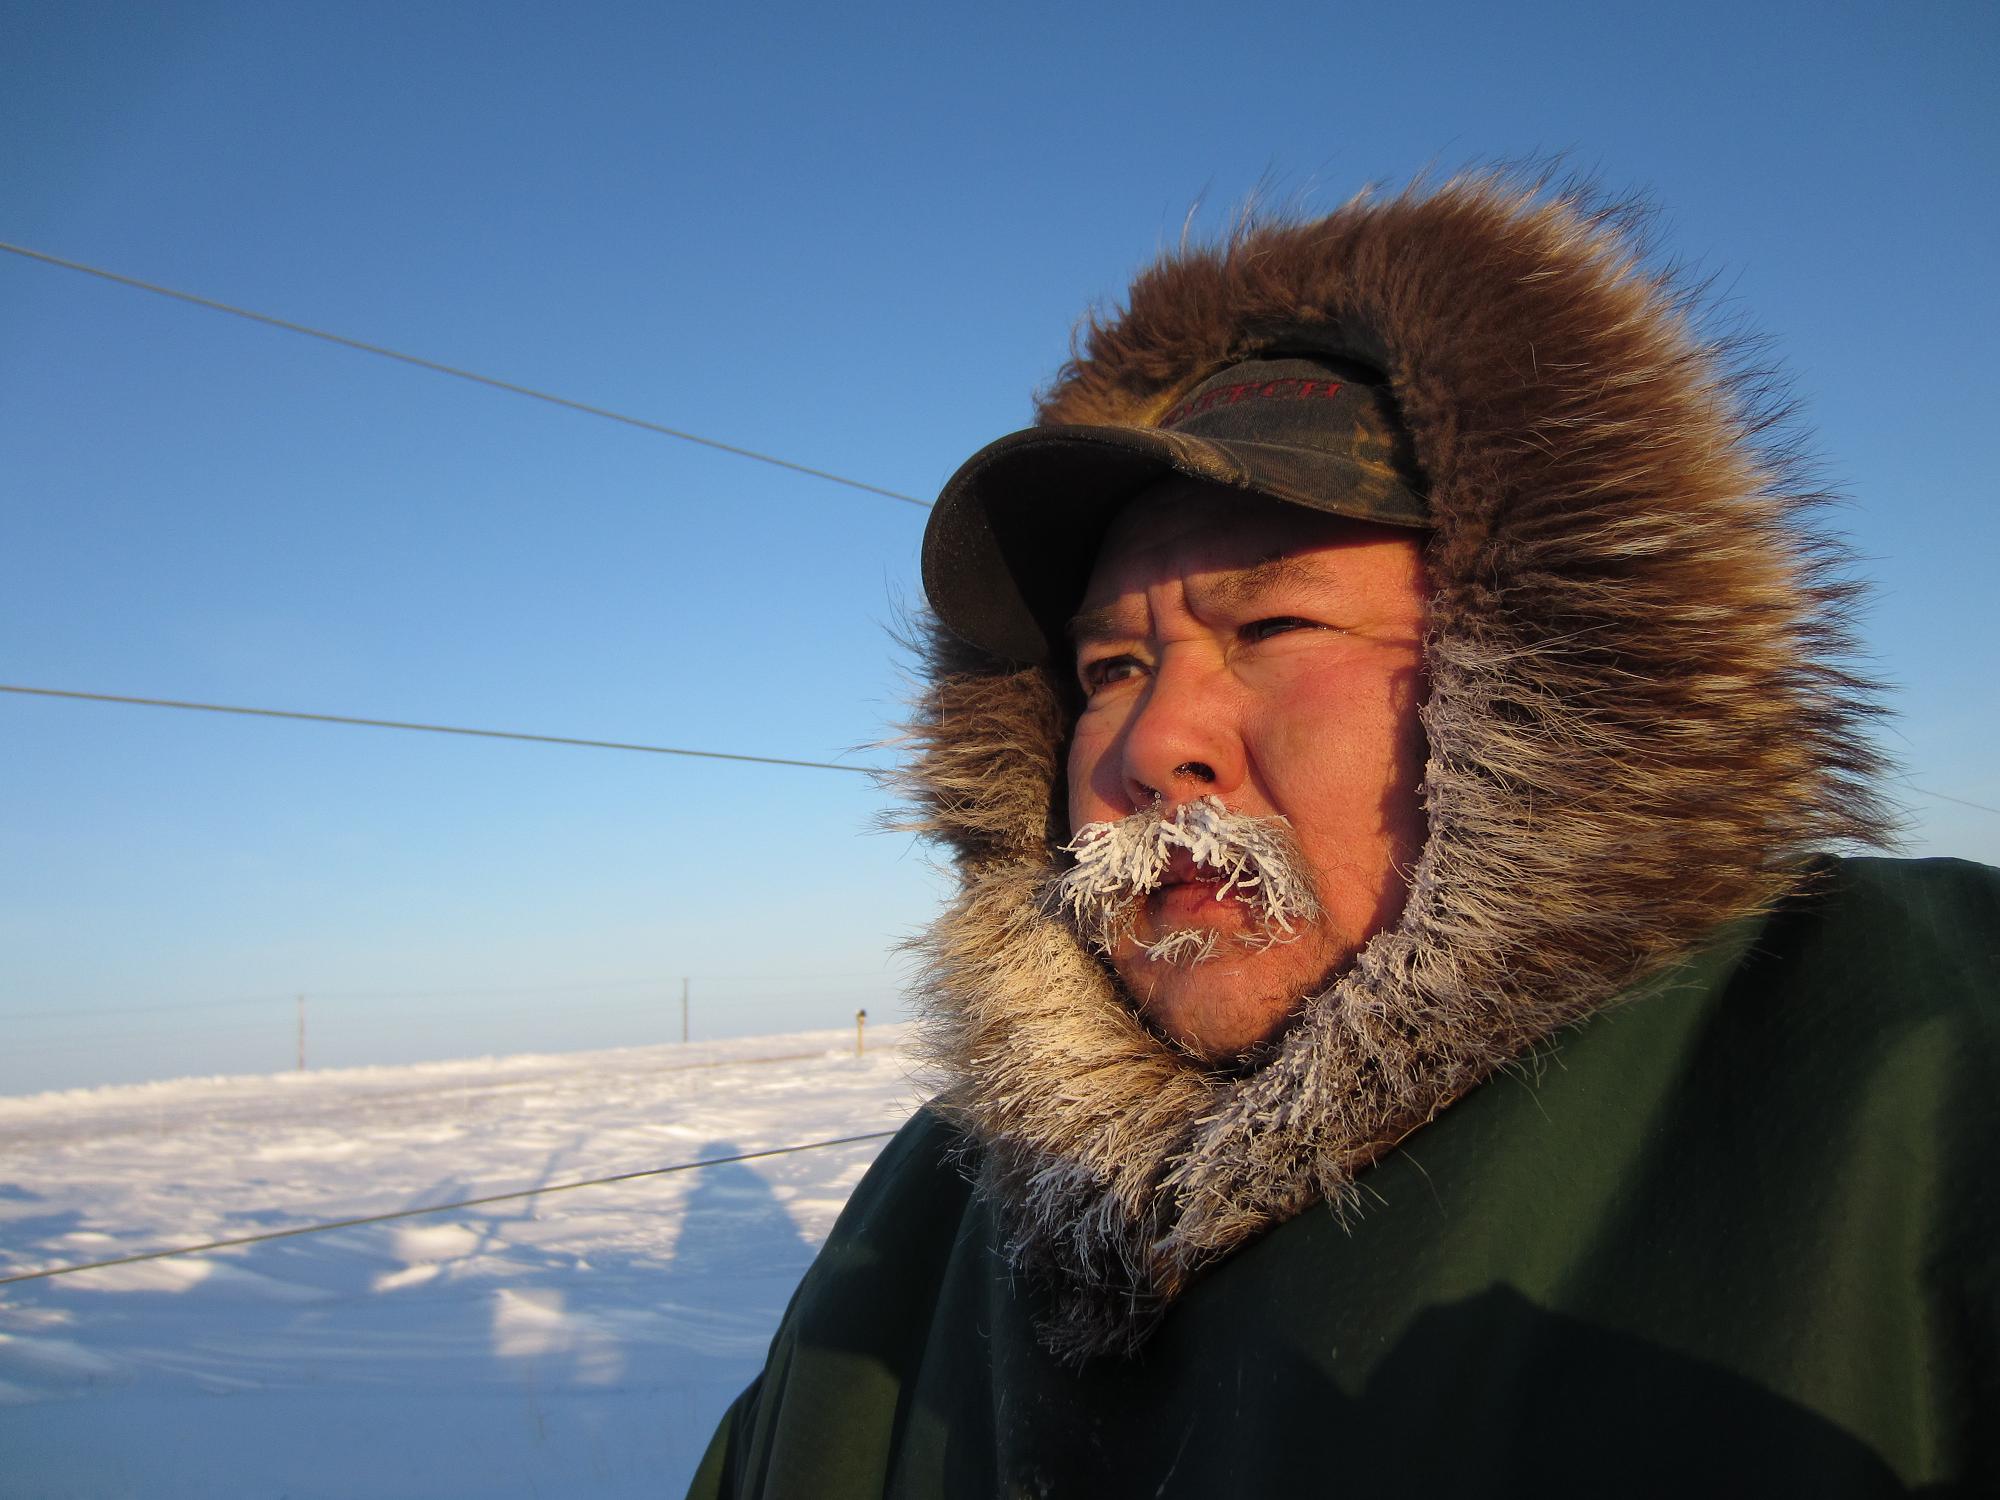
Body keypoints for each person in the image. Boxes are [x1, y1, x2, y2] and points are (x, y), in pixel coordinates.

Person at [687, 174, 1997, 1497]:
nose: (1151, 748)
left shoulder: (1912, 1059)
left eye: (1271, 629)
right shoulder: (932, 1217)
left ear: (1536, 684)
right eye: (1107, 673)